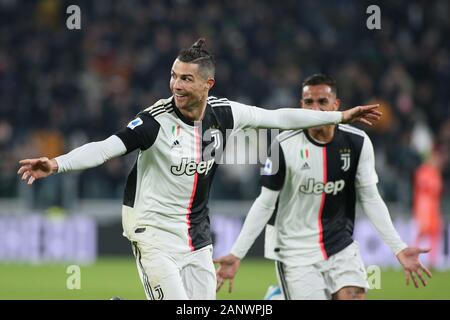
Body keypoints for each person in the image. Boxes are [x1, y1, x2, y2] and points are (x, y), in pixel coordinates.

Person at [17, 41, 381, 300]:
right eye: (174, 76)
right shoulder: (154, 121)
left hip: (196, 236)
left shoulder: (223, 113)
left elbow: (278, 117)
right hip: (153, 232)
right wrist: (57, 163)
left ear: (208, 84)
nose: (176, 84)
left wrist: (340, 116)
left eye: (186, 78)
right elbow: (105, 148)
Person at [215, 74, 432, 300]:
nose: (315, 109)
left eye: (322, 102)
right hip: (294, 249)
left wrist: (398, 247)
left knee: (354, 295)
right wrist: (237, 253)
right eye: (309, 102)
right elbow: (265, 203)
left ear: (336, 105)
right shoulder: (283, 145)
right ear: (301, 106)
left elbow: (370, 198)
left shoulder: (357, 143)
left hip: (340, 244)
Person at [413, 146, 446, 268]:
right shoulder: (423, 171)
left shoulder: (436, 173)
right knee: (422, 233)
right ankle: (413, 258)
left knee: (435, 233)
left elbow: (437, 190)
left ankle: (433, 261)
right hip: (424, 207)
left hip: (434, 207)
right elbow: (427, 189)